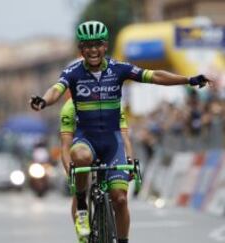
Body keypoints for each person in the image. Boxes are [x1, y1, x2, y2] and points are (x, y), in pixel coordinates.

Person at [29, 20, 211, 243]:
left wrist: (188, 79)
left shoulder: (119, 69)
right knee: (81, 156)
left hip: (112, 143)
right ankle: (83, 208)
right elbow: (56, 91)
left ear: (105, 46)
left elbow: (154, 76)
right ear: (81, 49)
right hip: (86, 140)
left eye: (98, 44)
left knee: (120, 199)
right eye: (88, 45)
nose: (93, 50)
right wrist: (43, 101)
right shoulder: (73, 72)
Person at [59, 97, 133, 241]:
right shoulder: (70, 108)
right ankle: (83, 234)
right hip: (83, 147)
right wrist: (70, 170)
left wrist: (130, 160)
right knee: (80, 184)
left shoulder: (114, 102)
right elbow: (65, 146)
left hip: (111, 147)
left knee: (121, 199)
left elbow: (124, 138)